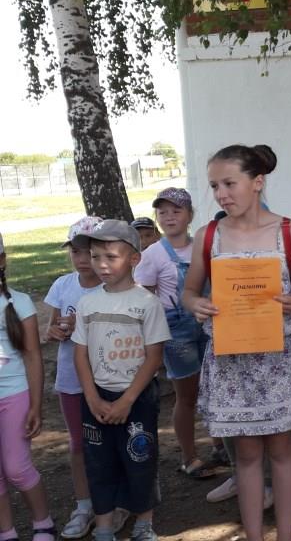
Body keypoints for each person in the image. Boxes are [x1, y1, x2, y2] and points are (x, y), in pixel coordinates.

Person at [183, 144, 291, 541]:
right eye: (214, 186)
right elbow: (189, 291)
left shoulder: (289, 232)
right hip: (232, 362)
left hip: (277, 360)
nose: (221, 194)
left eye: (230, 183)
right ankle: (255, 535)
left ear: (257, 182)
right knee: (245, 454)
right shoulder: (208, 236)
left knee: (282, 450)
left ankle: (287, 535)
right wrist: (197, 304)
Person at [71, 220, 170, 541]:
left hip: (137, 398)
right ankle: (103, 527)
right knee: (99, 463)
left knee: (140, 459)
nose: (101, 264)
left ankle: (144, 523)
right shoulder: (87, 303)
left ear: (134, 259)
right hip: (96, 399)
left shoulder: (147, 303)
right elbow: (80, 355)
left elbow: (153, 357)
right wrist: (92, 398)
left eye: (111, 257)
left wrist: (127, 400)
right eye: (95, 256)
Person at [43, 217, 130, 539]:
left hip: (108, 379)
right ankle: (84, 506)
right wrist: (56, 330)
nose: (81, 259)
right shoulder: (63, 285)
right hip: (71, 380)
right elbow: (51, 328)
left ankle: (120, 502)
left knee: (113, 442)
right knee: (79, 443)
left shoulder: (115, 288)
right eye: (75, 252)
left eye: (88, 252)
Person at [134, 188, 216, 480]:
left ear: (190, 215)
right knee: (187, 395)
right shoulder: (152, 255)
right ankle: (189, 457)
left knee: (214, 388)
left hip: (208, 324)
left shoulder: (203, 248)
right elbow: (144, 299)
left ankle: (220, 446)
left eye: (176, 211)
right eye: (163, 212)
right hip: (176, 330)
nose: (169, 217)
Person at [0, 233, 58, 541]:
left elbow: (33, 356)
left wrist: (36, 405)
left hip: (14, 395)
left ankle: (43, 523)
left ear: (2, 260)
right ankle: (6, 531)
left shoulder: (19, 303)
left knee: (17, 468)